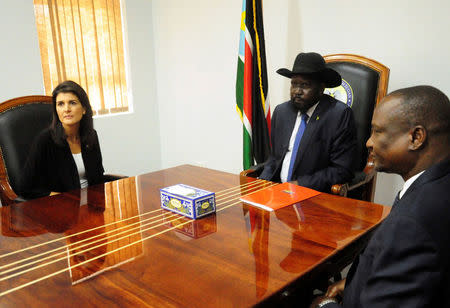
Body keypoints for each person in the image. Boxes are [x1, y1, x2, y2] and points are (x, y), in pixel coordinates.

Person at [310, 85, 450, 307]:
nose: (369, 142)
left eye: (377, 131)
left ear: (416, 137)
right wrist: (354, 282)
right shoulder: (437, 183)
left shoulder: (411, 225)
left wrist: (324, 306)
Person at [259, 52, 357, 193]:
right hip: (277, 192)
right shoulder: (281, 112)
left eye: (305, 85)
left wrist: (300, 184)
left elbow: (342, 170)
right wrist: (262, 185)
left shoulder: (338, 115)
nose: (297, 91)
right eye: (294, 84)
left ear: (321, 88)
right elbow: (274, 158)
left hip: (312, 194)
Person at [20, 80, 105, 198]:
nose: (66, 109)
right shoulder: (45, 140)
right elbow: (25, 187)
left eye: (72, 103)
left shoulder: (91, 136)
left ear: (84, 109)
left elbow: (98, 177)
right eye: (60, 104)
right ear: (56, 110)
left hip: (92, 203)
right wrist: (59, 198)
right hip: (62, 207)